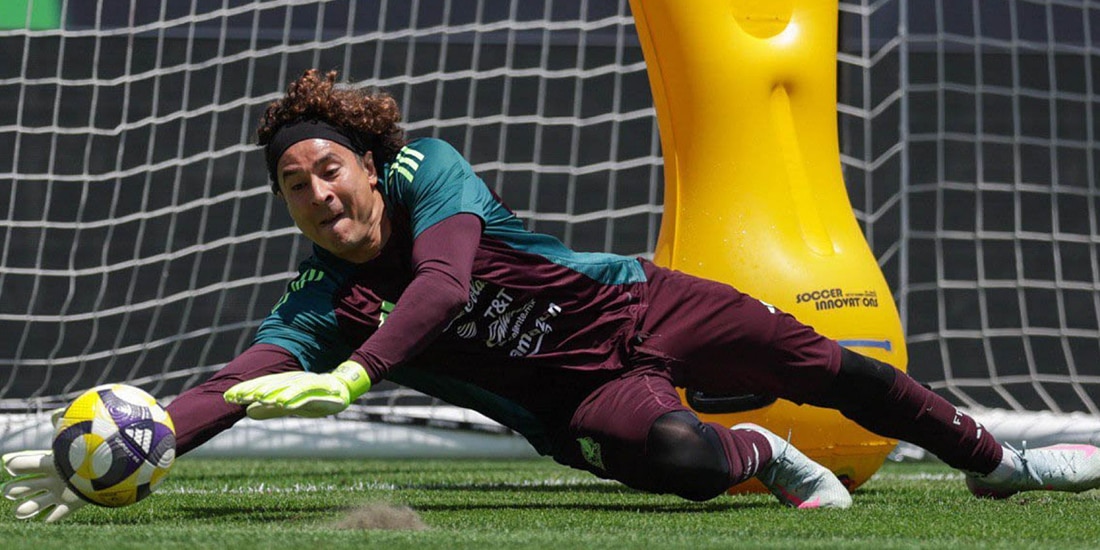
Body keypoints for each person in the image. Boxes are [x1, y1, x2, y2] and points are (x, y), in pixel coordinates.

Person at [5, 69, 1100, 522]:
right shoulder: (317, 298)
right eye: (293, 187)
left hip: (636, 305)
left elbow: (439, 289)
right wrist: (129, 442)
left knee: (818, 361)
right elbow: (234, 386)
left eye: (325, 169)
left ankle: (996, 465)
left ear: (364, 162)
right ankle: (760, 454)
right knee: (677, 463)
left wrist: (358, 372)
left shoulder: (433, 174)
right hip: (572, 403)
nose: (316, 194)